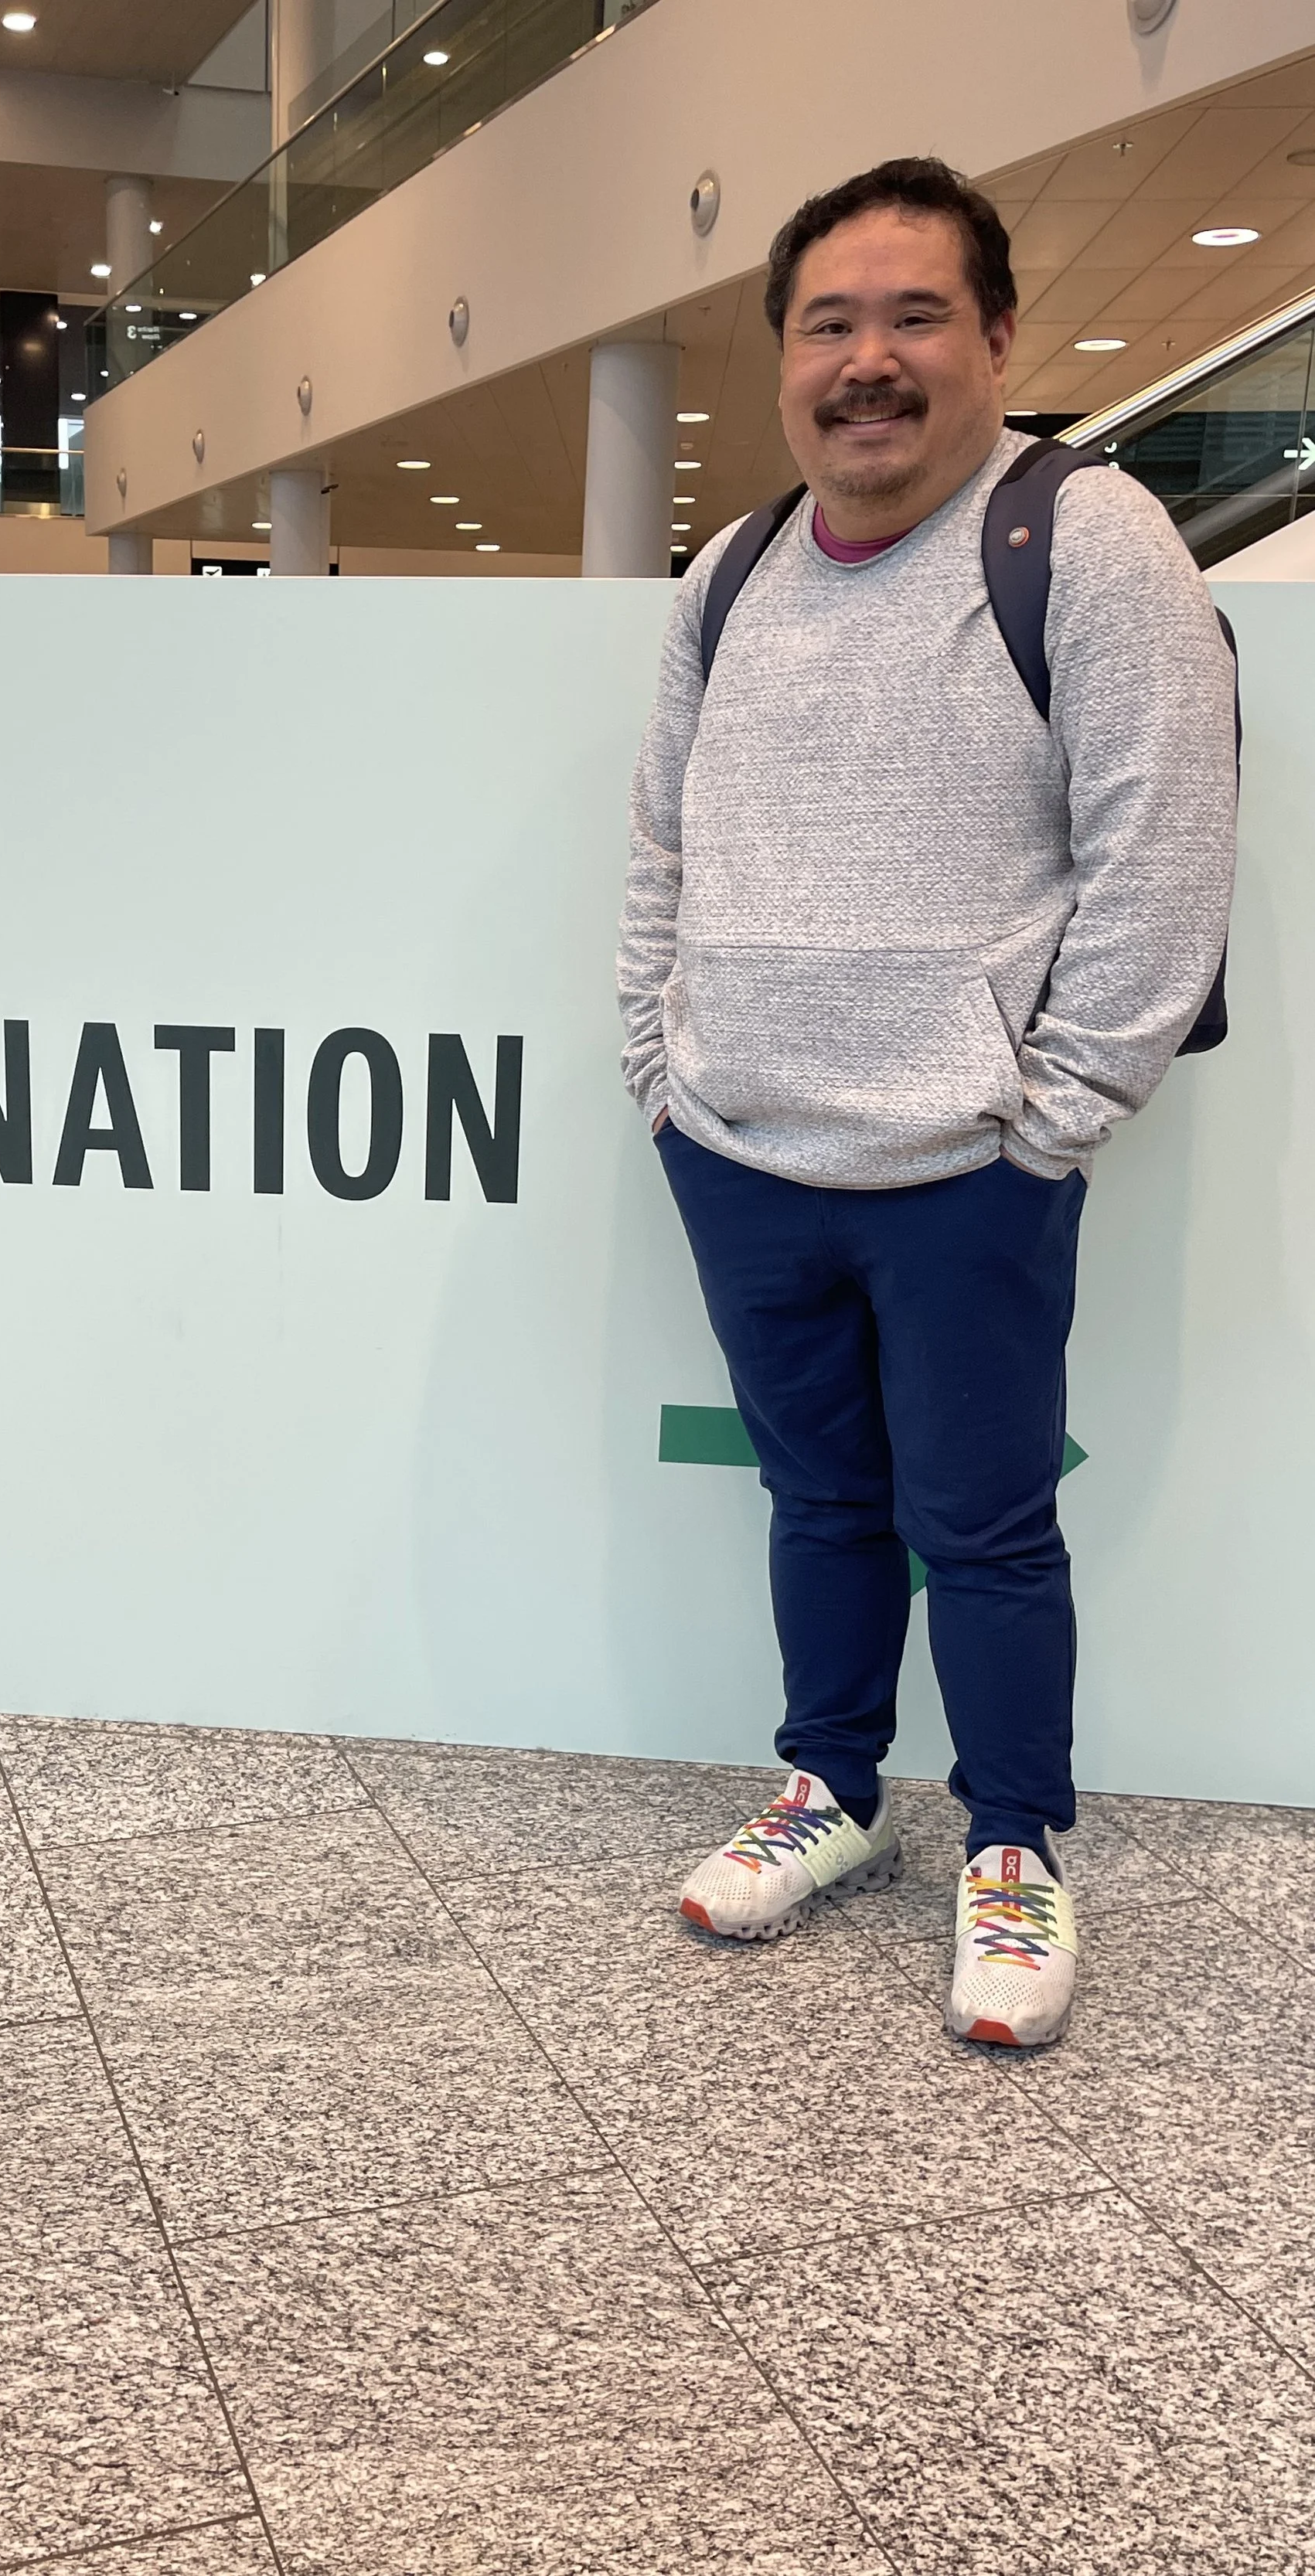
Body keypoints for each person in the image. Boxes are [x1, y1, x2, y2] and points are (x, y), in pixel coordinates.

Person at [617, 158, 1237, 2048]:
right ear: (782, 358)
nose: (864, 361)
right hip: (740, 1145)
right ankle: (832, 1792)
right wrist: (661, 1062)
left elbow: (1159, 852)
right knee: (816, 1500)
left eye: (910, 319)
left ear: (993, 340)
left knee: (976, 1527)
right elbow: (660, 838)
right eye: (826, 323)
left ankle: (1015, 1844)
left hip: (966, 1163)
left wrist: (1051, 1113)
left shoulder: (1083, 538)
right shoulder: (726, 572)